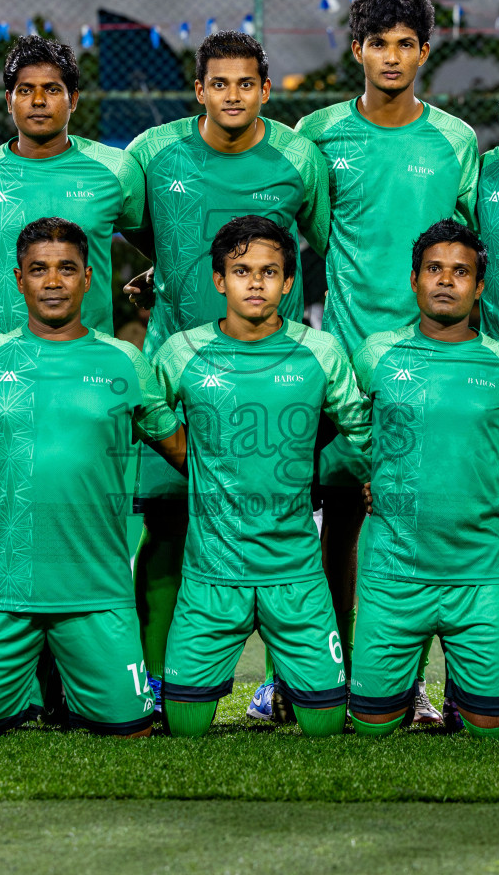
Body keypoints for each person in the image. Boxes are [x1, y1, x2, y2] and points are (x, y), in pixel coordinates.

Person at [121, 29, 330, 719]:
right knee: (167, 530)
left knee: (281, 534)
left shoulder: (299, 156)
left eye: (247, 83)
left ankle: (282, 683)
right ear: (199, 90)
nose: (233, 95)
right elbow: (131, 225)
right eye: (220, 83)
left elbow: (320, 241)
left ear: (265, 91)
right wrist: (167, 275)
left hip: (274, 378)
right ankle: (151, 682)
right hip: (179, 375)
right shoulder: (152, 152)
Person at [296, 0, 478, 725]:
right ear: (357, 50)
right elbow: (310, 234)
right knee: (336, 522)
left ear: (424, 53)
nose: (393, 56)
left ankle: (413, 682)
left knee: (420, 524)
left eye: (407, 43)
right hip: (342, 360)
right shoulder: (318, 134)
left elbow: (466, 249)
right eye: (380, 43)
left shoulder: (456, 139)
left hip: (429, 363)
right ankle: (319, 672)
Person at [0, 218, 186, 737]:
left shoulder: (124, 361)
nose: (52, 281)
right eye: (38, 270)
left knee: (131, 731)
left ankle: (69, 689)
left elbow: (184, 452)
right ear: (18, 280)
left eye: (65, 269)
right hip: (6, 596)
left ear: (88, 278)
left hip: (99, 595)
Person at [152, 216, 369, 737]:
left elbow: (364, 429)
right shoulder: (181, 351)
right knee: (183, 724)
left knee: (326, 723)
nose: (255, 282)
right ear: (219, 280)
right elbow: (147, 410)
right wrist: (192, 456)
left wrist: (379, 477)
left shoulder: (321, 351)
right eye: (241, 270)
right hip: (210, 576)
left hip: (295, 574)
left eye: (269, 271)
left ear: (289, 282)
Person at [348, 220, 499, 739]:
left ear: (479, 287)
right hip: (393, 570)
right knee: (370, 727)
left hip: (476, 571)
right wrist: (377, 474)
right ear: (414, 280)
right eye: (434, 270)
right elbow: (352, 424)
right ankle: (402, 693)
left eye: (460, 272)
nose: (446, 281)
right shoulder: (376, 353)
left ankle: (460, 696)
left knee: (490, 728)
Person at [0, 34, 142, 340]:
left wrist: (159, 274)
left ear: (73, 100)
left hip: (87, 362)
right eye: (25, 90)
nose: (38, 101)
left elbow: (159, 245)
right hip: (0, 364)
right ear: (9, 100)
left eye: (52, 89)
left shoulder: (116, 170)